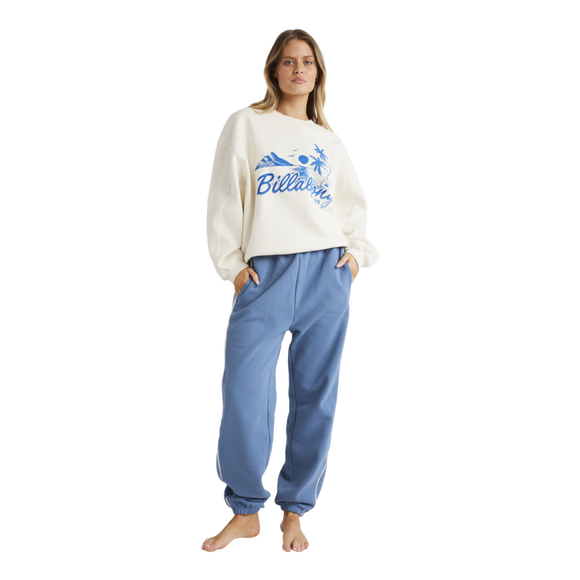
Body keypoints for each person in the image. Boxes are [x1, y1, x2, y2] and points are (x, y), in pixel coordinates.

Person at [199, 26, 381, 555]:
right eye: (288, 61)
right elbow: (222, 197)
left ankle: (295, 512)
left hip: (327, 273)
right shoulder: (245, 123)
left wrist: (356, 258)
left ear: (318, 73)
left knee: (317, 394)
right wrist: (231, 266)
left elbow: (355, 209)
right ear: (273, 70)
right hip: (265, 275)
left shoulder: (331, 141)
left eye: (307, 61)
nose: (298, 69)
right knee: (244, 393)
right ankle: (245, 511)